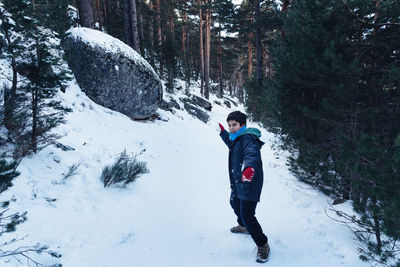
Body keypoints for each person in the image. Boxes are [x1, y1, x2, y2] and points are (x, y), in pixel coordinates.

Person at [218, 110, 270, 263]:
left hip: (250, 181)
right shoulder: (236, 138)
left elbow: (251, 154)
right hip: (238, 181)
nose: (231, 128)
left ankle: (263, 245)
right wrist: (222, 133)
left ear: (243, 125)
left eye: (234, 125)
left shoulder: (248, 138)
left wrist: (249, 168)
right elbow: (231, 143)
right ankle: (243, 226)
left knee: (248, 215)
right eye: (229, 125)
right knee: (234, 203)